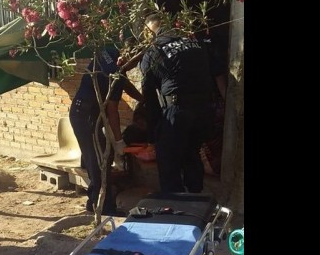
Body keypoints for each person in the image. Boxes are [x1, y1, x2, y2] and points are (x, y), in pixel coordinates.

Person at [139, 13, 216, 193]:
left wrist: (153, 136)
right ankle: (195, 198)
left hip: (178, 110)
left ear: (149, 32)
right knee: (192, 153)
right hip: (204, 109)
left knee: (168, 160)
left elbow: (150, 98)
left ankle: (174, 202)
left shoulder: (154, 50)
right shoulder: (195, 42)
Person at [69, 46, 144, 215]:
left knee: (100, 157)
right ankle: (104, 207)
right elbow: (112, 110)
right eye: (136, 62)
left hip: (82, 112)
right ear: (129, 56)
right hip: (87, 116)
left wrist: (142, 99)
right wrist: (119, 141)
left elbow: (124, 83)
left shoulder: (109, 51)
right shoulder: (115, 72)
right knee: (100, 161)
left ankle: (94, 201)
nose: (134, 66)